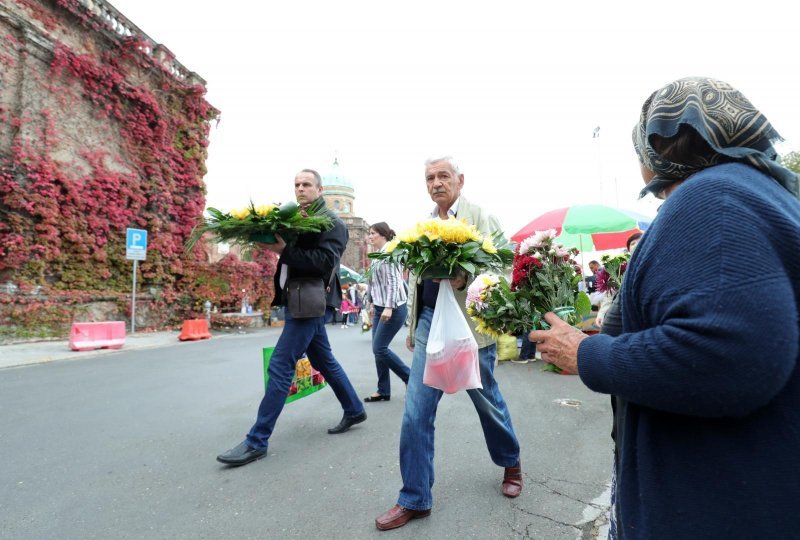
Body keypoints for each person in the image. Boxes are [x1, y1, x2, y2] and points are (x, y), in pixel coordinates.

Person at [530, 77, 800, 539]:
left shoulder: (710, 198)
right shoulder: (760, 193)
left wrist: (587, 355)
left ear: (656, 149)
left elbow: (730, 354)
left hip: (717, 505)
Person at [375, 156, 522, 531]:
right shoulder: (424, 226)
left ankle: (511, 461)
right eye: (430, 178)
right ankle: (415, 497)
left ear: (460, 180)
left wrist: (465, 277)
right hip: (429, 322)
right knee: (416, 411)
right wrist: (411, 326)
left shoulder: (481, 218)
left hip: (471, 325)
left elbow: (505, 264)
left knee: (487, 400)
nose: (436, 183)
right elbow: (416, 278)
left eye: (443, 176)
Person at [216, 169, 367, 467]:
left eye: (307, 184)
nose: (301, 188)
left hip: (312, 302)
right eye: (297, 184)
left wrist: (285, 250)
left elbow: (324, 263)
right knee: (324, 360)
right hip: (298, 298)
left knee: (281, 363)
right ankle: (354, 408)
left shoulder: (333, 223)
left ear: (320, 190)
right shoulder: (296, 219)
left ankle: (257, 440)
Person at [363, 221, 410, 402]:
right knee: (378, 350)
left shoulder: (390, 252)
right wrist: (373, 303)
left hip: (394, 307)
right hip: (382, 305)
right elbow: (375, 282)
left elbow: (393, 282)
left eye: (373, 233)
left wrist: (389, 307)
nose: (370, 236)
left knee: (379, 348)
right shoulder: (377, 255)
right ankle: (383, 390)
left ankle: (409, 377)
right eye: (369, 233)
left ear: (383, 235)